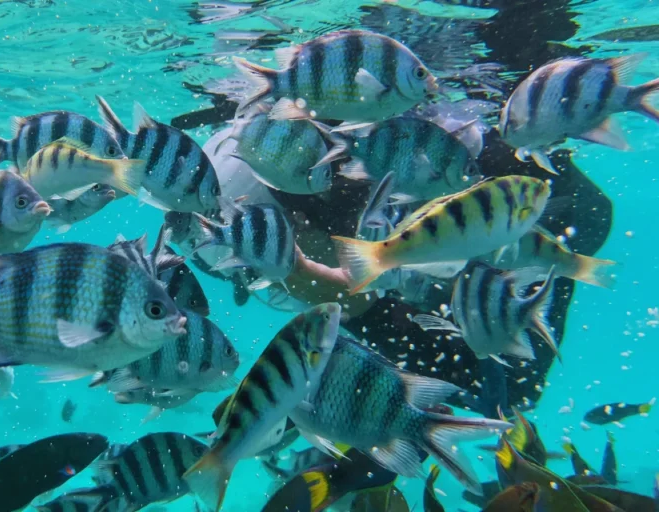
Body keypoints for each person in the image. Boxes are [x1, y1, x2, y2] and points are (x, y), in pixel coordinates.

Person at [172, 0, 613, 417]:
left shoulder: (336, 154)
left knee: (509, 374)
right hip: (445, 237)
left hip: (507, 205)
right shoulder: (258, 220)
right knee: (505, 387)